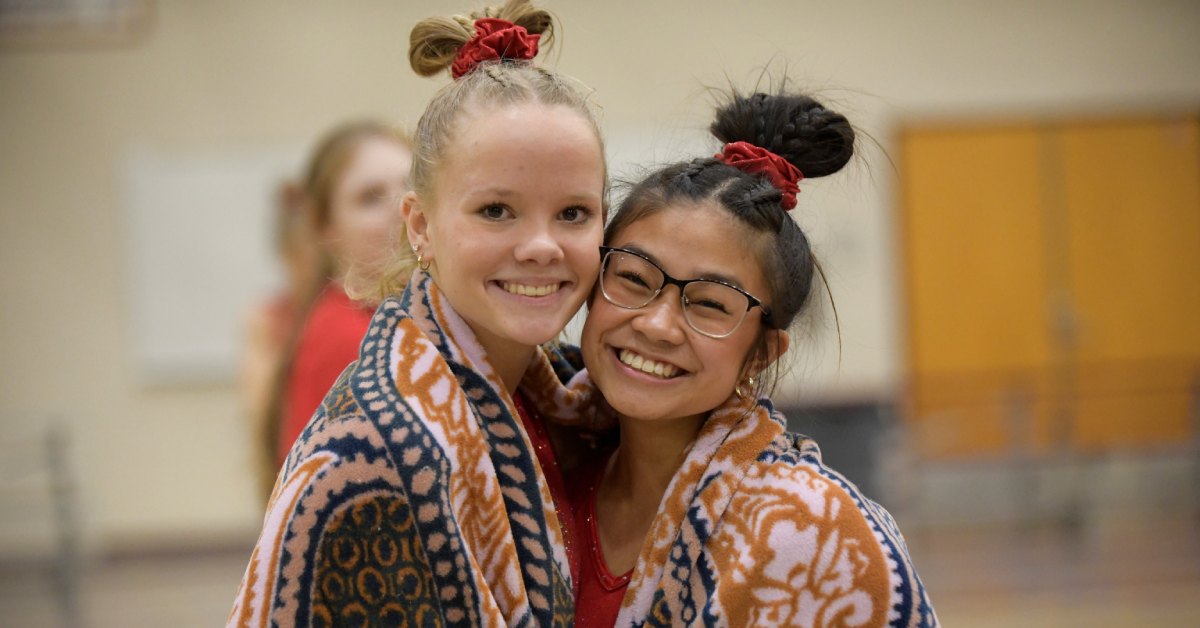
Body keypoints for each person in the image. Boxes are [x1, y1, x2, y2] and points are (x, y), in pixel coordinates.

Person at [227, 2, 606, 626]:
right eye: (496, 211)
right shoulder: (376, 456)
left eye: (573, 213)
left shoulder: (557, 397)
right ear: (421, 226)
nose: (542, 246)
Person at [566, 88, 939, 627]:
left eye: (711, 304)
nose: (656, 324)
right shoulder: (533, 480)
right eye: (633, 278)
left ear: (761, 353)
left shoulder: (821, 540)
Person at [258, 121, 413, 485]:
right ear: (324, 225)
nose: (402, 208)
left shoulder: (385, 321)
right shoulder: (351, 338)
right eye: (371, 198)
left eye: (411, 186)